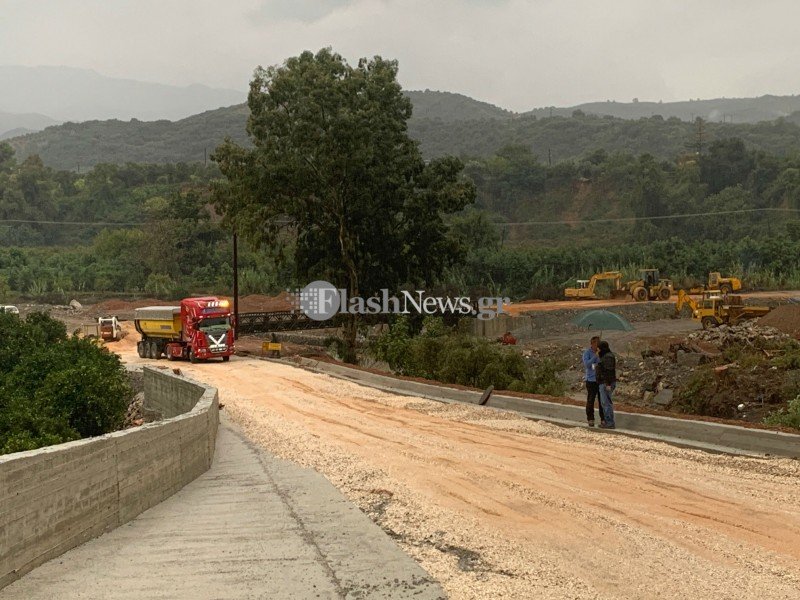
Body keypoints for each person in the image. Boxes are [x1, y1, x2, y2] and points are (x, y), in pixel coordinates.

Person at [581, 336, 604, 427]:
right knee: (591, 400)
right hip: (591, 380)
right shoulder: (587, 353)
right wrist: (595, 356)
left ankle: (603, 419)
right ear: (592, 344)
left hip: (600, 380)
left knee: (602, 401)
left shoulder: (601, 353)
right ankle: (590, 418)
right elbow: (587, 365)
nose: (597, 345)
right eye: (596, 343)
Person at [596, 340, 617, 429]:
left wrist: (607, 383)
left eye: (599, 349)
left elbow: (608, 371)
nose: (598, 351)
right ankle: (607, 421)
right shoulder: (605, 356)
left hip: (606, 383)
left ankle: (609, 422)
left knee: (606, 403)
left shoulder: (608, 357)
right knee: (604, 403)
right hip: (603, 382)